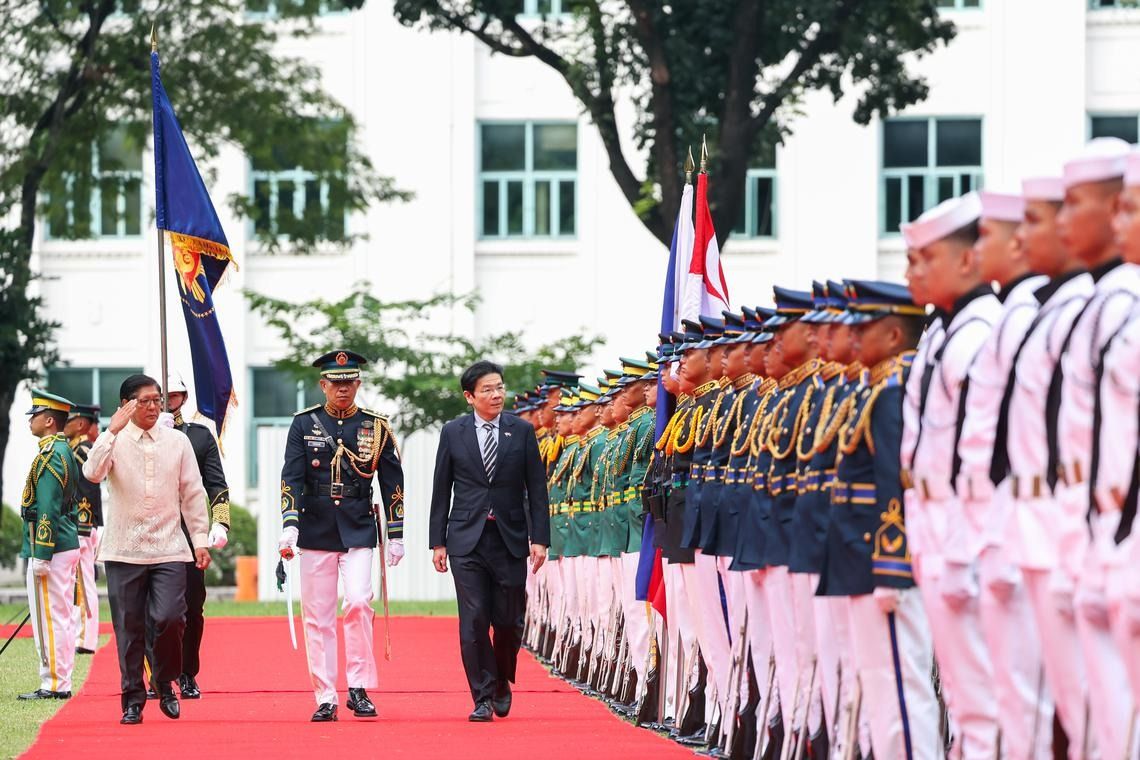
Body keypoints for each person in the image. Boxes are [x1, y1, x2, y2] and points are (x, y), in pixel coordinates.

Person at [817, 279, 941, 760]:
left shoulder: (893, 391)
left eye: (862, 327)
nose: (851, 336)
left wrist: (892, 564)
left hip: (881, 560)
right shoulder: (877, 388)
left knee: (900, 690)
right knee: (881, 685)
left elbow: (895, 480)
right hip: (859, 554)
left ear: (892, 335)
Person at [902, 192, 1002, 758]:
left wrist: (967, 545)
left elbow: (983, 455)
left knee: (987, 700)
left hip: (972, 537)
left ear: (967, 259)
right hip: (936, 532)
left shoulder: (983, 332)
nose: (911, 273)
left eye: (925, 259)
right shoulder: (942, 331)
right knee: (963, 702)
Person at [955, 190, 1054, 758]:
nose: (977, 249)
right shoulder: (1003, 316)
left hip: (1034, 525)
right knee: (990, 693)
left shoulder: (1019, 317)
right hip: (985, 523)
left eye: (987, 236)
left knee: (1030, 699)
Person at [277, 350, 405, 723]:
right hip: (315, 527)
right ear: (323, 385)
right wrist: (289, 524)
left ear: (358, 384)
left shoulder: (375, 426)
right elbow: (291, 477)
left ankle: (359, 687)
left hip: (358, 526)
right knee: (317, 616)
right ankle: (326, 696)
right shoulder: (303, 424)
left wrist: (396, 532)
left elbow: (392, 481)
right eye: (336, 383)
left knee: (359, 602)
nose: (343, 388)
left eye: (349, 382)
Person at [83, 374, 211, 725]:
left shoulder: (178, 442)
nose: (154, 406)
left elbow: (192, 492)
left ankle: (164, 681)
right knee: (129, 628)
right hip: (124, 550)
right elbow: (92, 473)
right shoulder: (114, 440)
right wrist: (111, 430)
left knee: (171, 618)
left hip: (170, 547)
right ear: (126, 405)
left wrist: (200, 539)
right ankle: (132, 700)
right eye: (145, 401)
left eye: (157, 400)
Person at [429, 359, 550, 722]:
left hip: (509, 537)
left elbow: (537, 488)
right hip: (466, 539)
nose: (497, 394)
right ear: (470, 396)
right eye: (488, 389)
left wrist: (540, 538)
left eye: (499, 387)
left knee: (509, 620)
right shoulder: (453, 432)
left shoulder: (521, 431)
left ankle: (501, 679)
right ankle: (481, 695)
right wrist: (437, 542)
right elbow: (441, 489)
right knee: (474, 619)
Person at [148, 374, 231, 700]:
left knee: (192, 607)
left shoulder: (199, 436)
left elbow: (216, 484)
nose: (167, 400)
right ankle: (156, 675)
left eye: (173, 394)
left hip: (187, 532)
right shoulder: (138, 435)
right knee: (151, 608)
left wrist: (220, 522)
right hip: (151, 529)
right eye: (161, 395)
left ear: (183, 397)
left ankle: (186, 672)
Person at [18, 390, 82, 701]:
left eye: (35, 415)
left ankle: (55, 683)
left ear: (48, 421)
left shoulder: (51, 454)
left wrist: (41, 553)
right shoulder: (63, 449)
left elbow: (48, 506)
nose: (30, 420)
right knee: (59, 615)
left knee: (50, 618)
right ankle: (59, 679)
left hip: (51, 547)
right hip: (63, 543)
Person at [65, 403, 103, 656]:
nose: (64, 425)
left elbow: (87, 490)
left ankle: (86, 638)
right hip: (80, 525)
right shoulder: (76, 448)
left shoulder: (83, 450)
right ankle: (81, 635)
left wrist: (83, 525)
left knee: (83, 582)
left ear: (80, 424)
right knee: (78, 581)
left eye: (68, 421)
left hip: (83, 525)